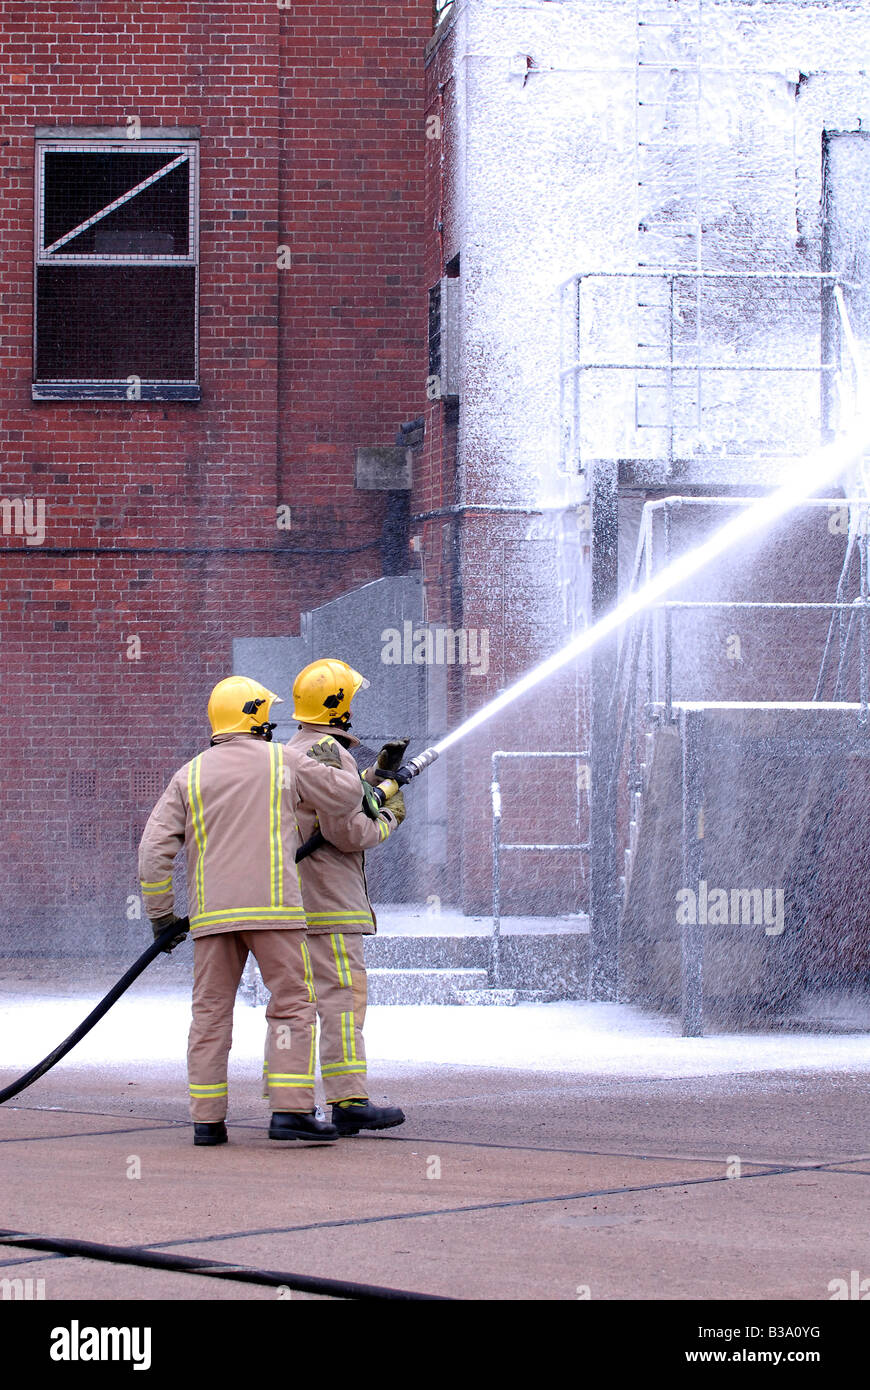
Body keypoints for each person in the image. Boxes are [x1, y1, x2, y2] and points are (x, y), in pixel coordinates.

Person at [138, 675, 338, 1146]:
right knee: (290, 1006)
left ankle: (207, 1121)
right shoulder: (285, 760)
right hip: (274, 914)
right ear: (256, 717)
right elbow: (346, 801)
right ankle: (290, 1112)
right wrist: (349, 776)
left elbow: (152, 850)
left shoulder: (188, 775)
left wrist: (161, 917)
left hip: (212, 920)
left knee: (210, 1013)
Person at [284, 658, 407, 1136]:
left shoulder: (291, 750)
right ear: (339, 705)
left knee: (297, 1002)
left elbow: (327, 807)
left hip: (293, 903)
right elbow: (348, 830)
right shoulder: (330, 753)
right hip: (330, 903)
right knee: (343, 998)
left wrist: (376, 776)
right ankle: (349, 1099)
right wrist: (389, 813)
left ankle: (291, 1105)